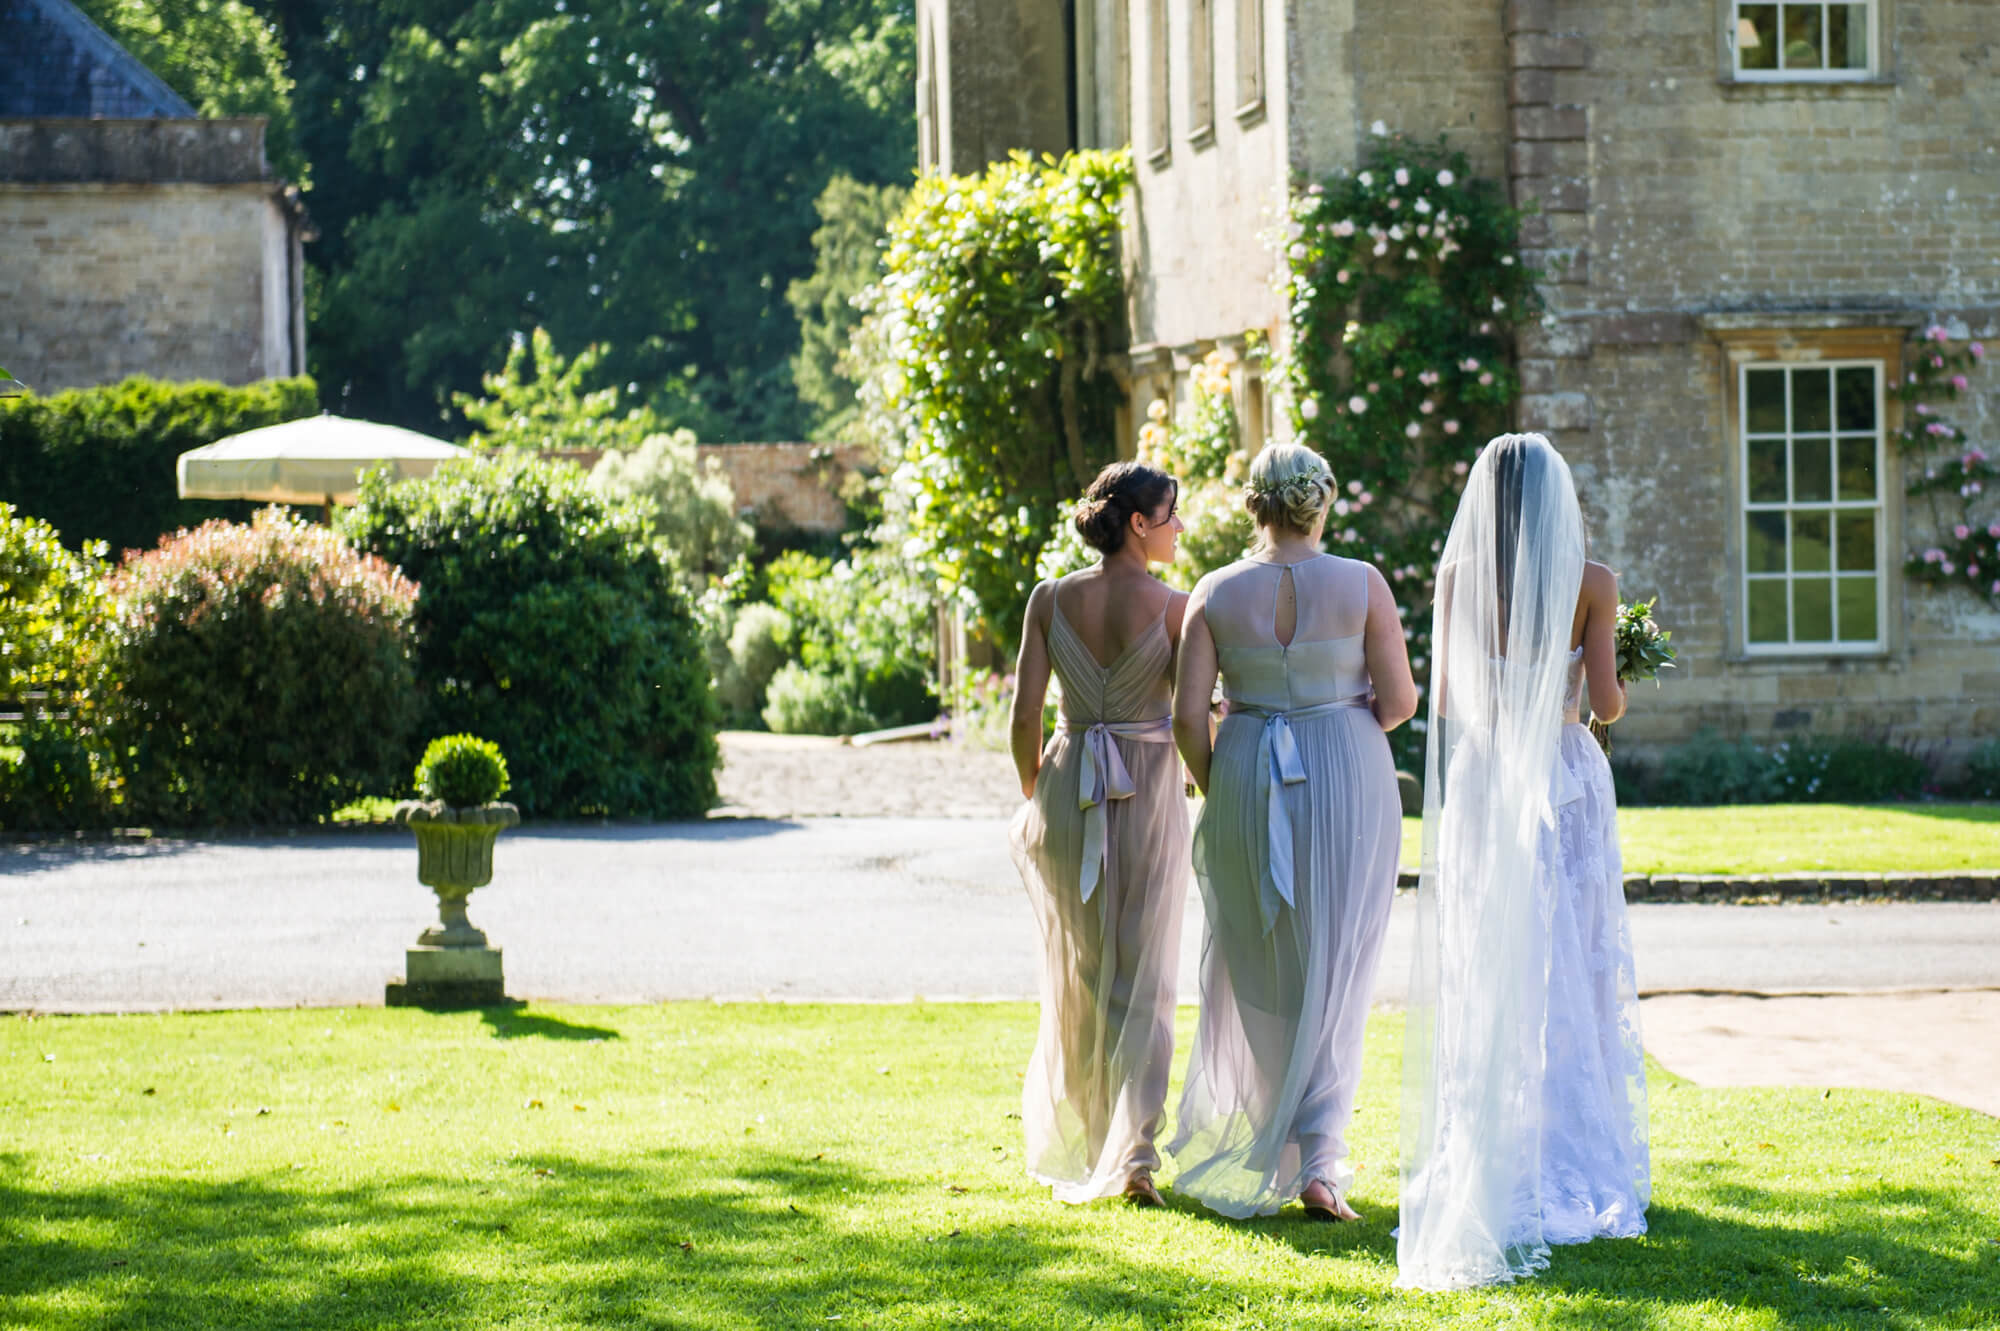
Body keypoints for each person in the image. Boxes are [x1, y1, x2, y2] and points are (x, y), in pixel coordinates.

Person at [1396, 432, 1650, 1291]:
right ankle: (1569, 1149)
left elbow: (1463, 696)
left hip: (1485, 774)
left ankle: (1492, 1143)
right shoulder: (1593, 583)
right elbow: (1606, 701)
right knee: (1572, 962)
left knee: (1487, 956)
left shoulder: (1462, 581)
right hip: (1565, 775)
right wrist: (1601, 667)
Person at [1167, 442, 1417, 1220]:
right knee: (1339, 958)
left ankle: (1286, 1147)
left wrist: (1226, 782)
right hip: (1348, 767)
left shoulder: (1215, 589)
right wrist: (1340, 732)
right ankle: (1318, 1159)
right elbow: (1402, 698)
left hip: (1244, 767)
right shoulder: (1363, 583)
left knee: (1260, 957)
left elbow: (1186, 716)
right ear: (1323, 501)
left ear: (1255, 505)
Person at [1009, 460, 1192, 1207]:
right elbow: (1193, 715)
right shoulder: (1180, 608)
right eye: (1173, 513)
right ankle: (1136, 1157)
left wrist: (1039, 788)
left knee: (1081, 973)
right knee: (1146, 973)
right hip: (1147, 786)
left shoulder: (1050, 600)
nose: (1181, 526)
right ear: (1140, 523)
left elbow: (1024, 715)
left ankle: (1092, 1140)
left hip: (1069, 783)